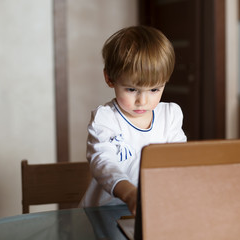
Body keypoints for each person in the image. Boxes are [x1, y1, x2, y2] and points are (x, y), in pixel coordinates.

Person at [79, 25, 187, 215]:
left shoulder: (170, 116)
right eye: (132, 89)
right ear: (110, 78)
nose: (142, 101)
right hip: (104, 214)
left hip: (151, 210)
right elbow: (103, 163)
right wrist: (130, 195)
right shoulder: (105, 119)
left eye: (154, 90)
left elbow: (178, 161)